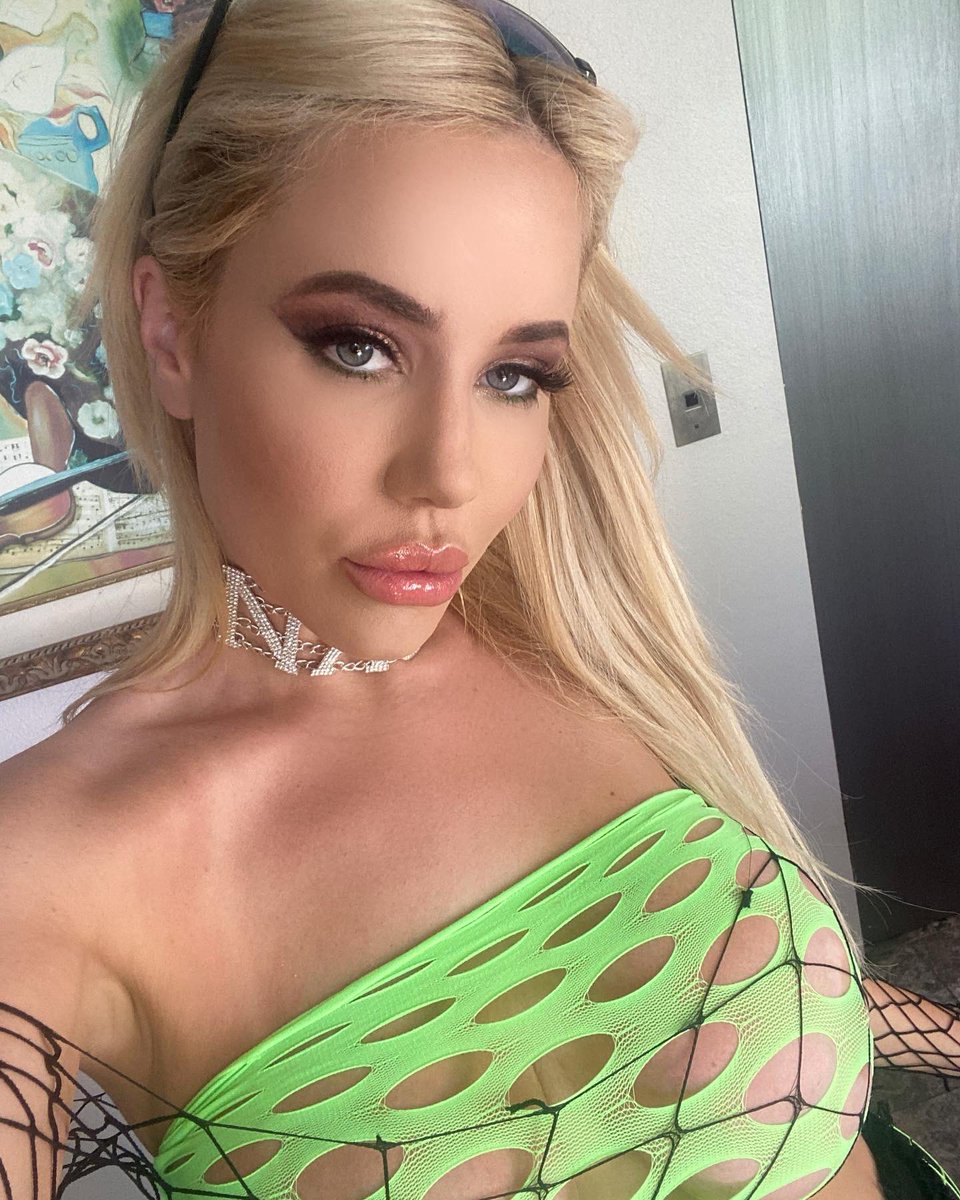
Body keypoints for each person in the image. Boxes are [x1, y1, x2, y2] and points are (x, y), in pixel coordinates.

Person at [1, 2, 959, 1198]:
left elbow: (739, 987)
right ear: (170, 332)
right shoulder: (47, 868)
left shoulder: (584, 652)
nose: (449, 475)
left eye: (513, 375)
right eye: (358, 346)